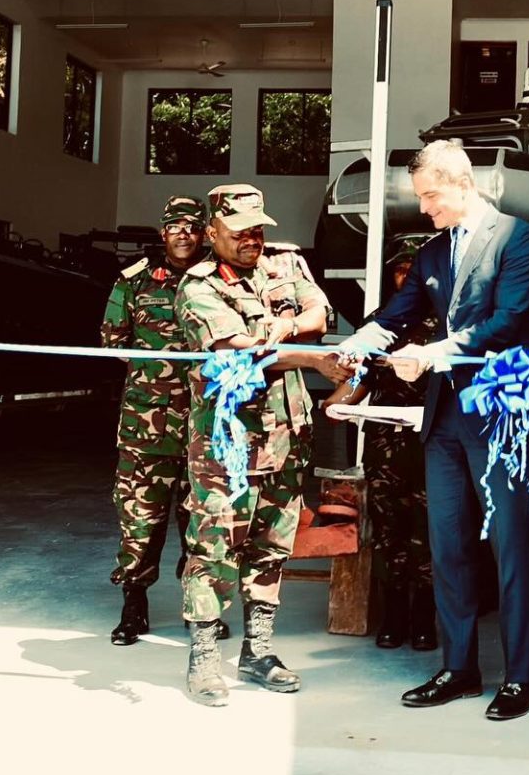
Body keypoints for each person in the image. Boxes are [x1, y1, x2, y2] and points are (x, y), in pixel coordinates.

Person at [337, 139, 529, 721]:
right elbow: (394, 314)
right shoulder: (432, 251)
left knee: (509, 547)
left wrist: (434, 353)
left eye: (431, 196)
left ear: (461, 183)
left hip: (499, 409)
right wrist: (358, 344)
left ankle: (521, 678)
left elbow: (509, 320)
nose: (424, 207)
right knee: (447, 546)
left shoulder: (517, 238)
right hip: (445, 419)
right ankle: (459, 669)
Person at [175, 184, 336, 707]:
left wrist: (280, 329)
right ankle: (204, 659)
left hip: (287, 435)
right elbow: (238, 352)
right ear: (211, 232)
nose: (253, 238)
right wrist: (304, 352)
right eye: (240, 230)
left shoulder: (285, 262)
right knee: (214, 547)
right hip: (227, 445)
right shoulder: (198, 285)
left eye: (258, 228)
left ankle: (258, 652)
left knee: (272, 546)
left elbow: (320, 317)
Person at [100, 195, 216, 646]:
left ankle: (199, 609)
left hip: (205, 424)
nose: (184, 234)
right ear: (163, 233)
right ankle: (134, 607)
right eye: (175, 227)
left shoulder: (219, 279)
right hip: (146, 427)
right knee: (139, 520)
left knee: (202, 520)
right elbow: (113, 341)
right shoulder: (135, 281)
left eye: (192, 227)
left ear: (204, 233)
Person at [321, 237, 437, 652]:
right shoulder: (382, 322)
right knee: (388, 530)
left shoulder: (450, 321)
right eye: (400, 270)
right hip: (386, 444)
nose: (407, 277)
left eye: (413, 269)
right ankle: (394, 615)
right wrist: (337, 401)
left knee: (429, 531)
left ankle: (424, 617)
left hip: (433, 442)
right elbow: (362, 378)